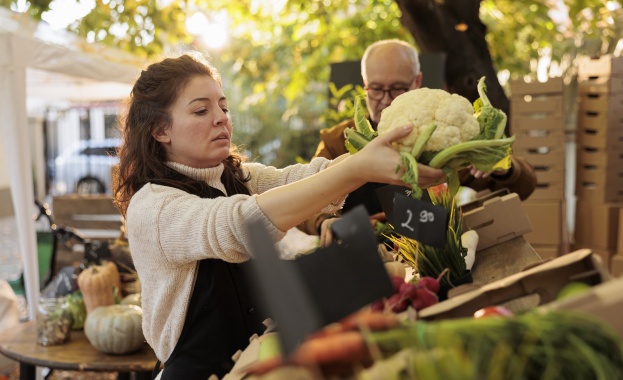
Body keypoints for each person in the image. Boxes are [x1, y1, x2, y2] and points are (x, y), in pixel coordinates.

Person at [113, 52, 420, 379]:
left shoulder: (233, 176)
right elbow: (239, 225)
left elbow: (305, 178)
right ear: (160, 130)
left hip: (258, 364)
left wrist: (397, 153)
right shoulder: (153, 207)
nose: (221, 118)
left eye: (224, 106)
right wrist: (359, 167)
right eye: (202, 110)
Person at [300, 39, 537, 245]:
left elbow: (524, 187)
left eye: (396, 88)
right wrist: (323, 222)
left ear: (417, 82)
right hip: (362, 257)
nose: (384, 100)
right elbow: (302, 201)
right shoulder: (337, 142)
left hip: (431, 259)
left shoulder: (438, 138)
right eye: (376, 89)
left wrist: (501, 167)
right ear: (365, 84)